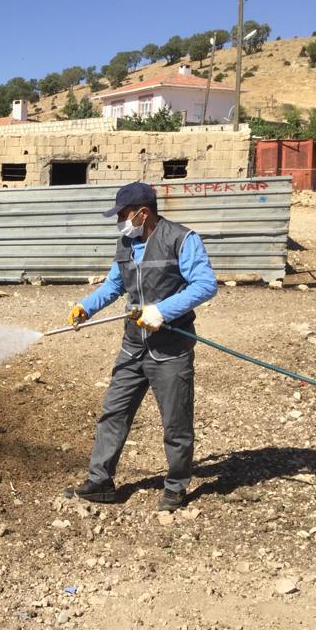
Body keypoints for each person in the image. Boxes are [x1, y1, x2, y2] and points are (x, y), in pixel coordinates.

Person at [63, 181, 217, 511]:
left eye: (124, 214)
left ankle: (175, 486)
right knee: (114, 413)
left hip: (170, 349)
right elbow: (113, 285)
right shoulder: (126, 243)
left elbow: (205, 285)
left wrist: (163, 310)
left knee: (176, 422)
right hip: (133, 347)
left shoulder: (181, 239)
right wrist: (86, 307)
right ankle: (100, 481)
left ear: (143, 212)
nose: (120, 220)